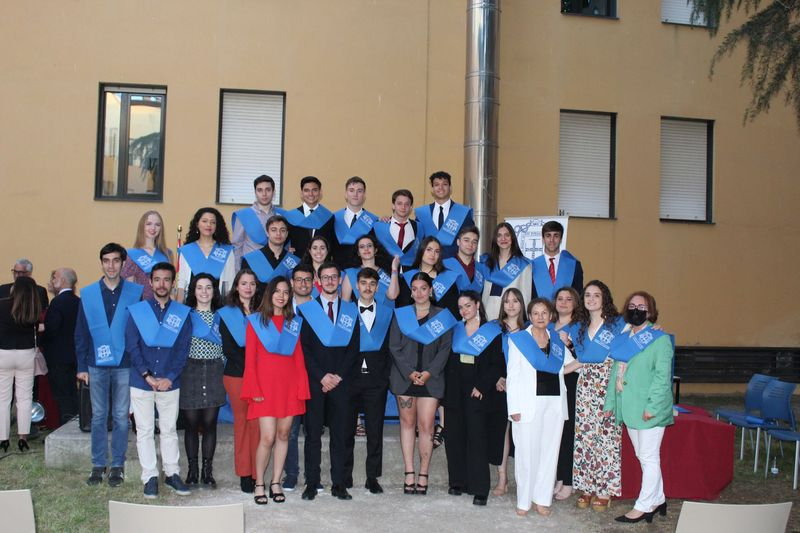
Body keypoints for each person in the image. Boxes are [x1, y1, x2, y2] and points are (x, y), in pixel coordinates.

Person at [75, 243, 144, 487]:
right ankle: (98, 464)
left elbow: (139, 330)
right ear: (101, 263)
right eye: (106, 260)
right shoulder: (90, 293)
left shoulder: (135, 293)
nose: (111, 265)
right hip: (96, 363)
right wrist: (82, 365)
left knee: (121, 416)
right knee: (98, 416)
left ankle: (117, 465)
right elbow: (81, 332)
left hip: (125, 363)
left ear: (123, 263)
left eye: (116, 260)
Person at [605, 291, 673, 524]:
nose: (636, 310)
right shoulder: (624, 337)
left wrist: (653, 407)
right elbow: (616, 371)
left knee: (649, 456)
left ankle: (643, 506)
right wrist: (611, 403)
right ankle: (659, 498)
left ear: (650, 312)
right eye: (632, 305)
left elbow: (662, 378)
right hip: (628, 405)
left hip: (649, 408)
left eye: (641, 307)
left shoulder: (659, 339)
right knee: (643, 456)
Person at [506, 298, 578, 517]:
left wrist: (587, 358)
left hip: (554, 404)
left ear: (550, 316)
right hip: (528, 404)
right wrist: (514, 407)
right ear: (529, 316)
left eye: (544, 313)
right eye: (535, 313)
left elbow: (567, 367)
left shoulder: (556, 340)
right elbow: (513, 375)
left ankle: (542, 499)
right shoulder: (518, 340)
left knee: (549, 453)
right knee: (527, 453)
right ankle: (524, 500)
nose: (540, 317)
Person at [126, 262, 193, 498]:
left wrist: (169, 377)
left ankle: (172, 474)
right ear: (151, 282)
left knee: (169, 429)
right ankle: (150, 477)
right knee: (144, 430)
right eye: (157, 279)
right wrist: (147, 375)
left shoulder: (182, 314)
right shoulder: (138, 311)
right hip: (141, 381)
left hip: (169, 382)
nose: (162, 284)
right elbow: (132, 346)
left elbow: (183, 349)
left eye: (166, 279)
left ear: (172, 282)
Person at [242, 277, 310, 505]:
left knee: (284, 435)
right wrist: (253, 388)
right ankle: (259, 482)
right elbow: (250, 360)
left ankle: (276, 482)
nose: (281, 295)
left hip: (289, 386)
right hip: (265, 387)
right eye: (277, 291)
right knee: (268, 437)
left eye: (285, 292)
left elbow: (298, 357)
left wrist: (302, 386)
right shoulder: (256, 322)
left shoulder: (293, 322)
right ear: (269, 294)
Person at [297, 262, 360, 501]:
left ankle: (339, 484)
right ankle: (312, 483)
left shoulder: (350, 311)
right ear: (318, 280)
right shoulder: (307, 311)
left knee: (340, 435)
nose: (330, 281)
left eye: (335, 277)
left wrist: (337, 376)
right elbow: (304, 349)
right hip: (316, 381)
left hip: (342, 382)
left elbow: (354, 348)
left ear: (339, 279)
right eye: (326, 277)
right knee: (313, 435)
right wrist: (322, 376)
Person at [389, 272, 455, 495]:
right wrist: (410, 373)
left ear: (431, 290)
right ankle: (409, 471)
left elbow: (446, 348)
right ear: (411, 291)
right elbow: (394, 347)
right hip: (404, 377)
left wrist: (428, 372)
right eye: (415, 289)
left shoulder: (442, 316)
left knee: (426, 425)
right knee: (407, 423)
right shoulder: (401, 315)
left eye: (423, 288)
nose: (419, 293)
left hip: (431, 378)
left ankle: (424, 473)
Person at [568, 280, 625, 512]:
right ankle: (587, 486)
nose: (591, 299)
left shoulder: (617, 324)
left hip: (608, 383)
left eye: (596, 295)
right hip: (586, 384)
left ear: (605, 298)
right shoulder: (578, 327)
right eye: (588, 295)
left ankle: (604, 490)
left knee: (608, 437)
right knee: (585, 436)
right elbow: (578, 359)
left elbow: (626, 352)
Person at [443, 291, 504, 506]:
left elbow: (497, 364)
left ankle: (480, 488)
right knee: (455, 435)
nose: (464, 311)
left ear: (477, 304)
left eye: (468, 306)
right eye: (460, 307)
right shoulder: (455, 329)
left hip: (478, 389)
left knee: (477, 438)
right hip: (454, 388)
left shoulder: (492, 331)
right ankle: (458, 482)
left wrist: (482, 386)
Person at [343, 268, 393, 494]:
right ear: (357, 285)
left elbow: (390, 347)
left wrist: (385, 376)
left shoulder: (386, 313)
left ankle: (372, 477)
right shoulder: (345, 311)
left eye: (372, 284)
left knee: (375, 429)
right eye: (363, 283)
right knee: (345, 430)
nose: (368, 288)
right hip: (350, 378)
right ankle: (344, 475)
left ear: (377, 287)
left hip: (376, 380)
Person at [180, 274, 226, 489]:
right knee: (191, 424)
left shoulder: (222, 316)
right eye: (200, 288)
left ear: (214, 291)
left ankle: (207, 472)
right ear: (193, 291)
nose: (204, 292)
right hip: (191, 370)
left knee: (209, 424)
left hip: (214, 370)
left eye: (208, 287)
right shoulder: (185, 316)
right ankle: (192, 471)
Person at [218, 269, 260, 493]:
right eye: (244, 283)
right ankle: (245, 473)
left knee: (258, 425)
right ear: (236, 286)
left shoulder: (263, 311)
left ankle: (257, 472)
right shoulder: (227, 313)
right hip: (237, 375)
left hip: (261, 377)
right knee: (243, 423)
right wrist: (252, 369)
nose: (248, 287)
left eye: (252, 283)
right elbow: (230, 349)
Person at [282, 263, 316, 491]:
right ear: (292, 283)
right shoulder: (283, 310)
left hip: (315, 376)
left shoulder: (321, 309)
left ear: (314, 284)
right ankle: (291, 474)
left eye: (307, 280)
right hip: (288, 378)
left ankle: (314, 477)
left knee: (313, 430)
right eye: (299, 280)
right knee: (290, 431)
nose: (303, 284)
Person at [0, 277, 42, 453]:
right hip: (26, 353)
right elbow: (39, 328)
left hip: (3, 352)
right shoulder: (33, 308)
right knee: (24, 398)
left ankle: (3, 438)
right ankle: (23, 438)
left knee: (3, 398)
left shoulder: (2, 305)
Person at [493, 288, 528, 497]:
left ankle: (525, 479)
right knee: (502, 432)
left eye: (515, 301)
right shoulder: (495, 329)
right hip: (501, 385)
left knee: (523, 433)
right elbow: (489, 359)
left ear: (522, 304)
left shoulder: (531, 329)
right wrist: (498, 377)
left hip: (524, 386)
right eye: (507, 302)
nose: (511, 305)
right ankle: (502, 477)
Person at [40, 268, 80, 426]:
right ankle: (76, 423)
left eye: (54, 277)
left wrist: (42, 339)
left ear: (63, 280)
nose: (51, 280)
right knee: (72, 393)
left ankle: (65, 427)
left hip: (57, 356)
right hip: (73, 355)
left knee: (62, 395)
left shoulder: (57, 302)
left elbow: (52, 328)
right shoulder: (78, 301)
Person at [552, 286, 582, 501]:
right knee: (556, 432)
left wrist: (570, 345)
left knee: (569, 430)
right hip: (552, 382)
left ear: (575, 303)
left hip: (571, 382)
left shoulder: (580, 327)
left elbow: (586, 356)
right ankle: (559, 476)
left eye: (568, 299)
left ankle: (569, 480)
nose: (563, 302)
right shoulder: (548, 325)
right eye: (560, 299)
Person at [176, 207, 235, 303]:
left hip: (218, 305)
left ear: (216, 226)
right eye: (204, 221)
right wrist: (179, 309)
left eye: (213, 222)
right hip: (191, 305)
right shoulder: (187, 250)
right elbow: (181, 284)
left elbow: (230, 283)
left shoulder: (226, 250)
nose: (209, 225)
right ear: (197, 224)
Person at [414, 171, 474, 258]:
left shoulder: (463, 213)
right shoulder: (422, 214)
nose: (440, 187)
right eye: (436, 185)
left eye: (444, 184)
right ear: (432, 189)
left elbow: (470, 241)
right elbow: (417, 240)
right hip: (429, 264)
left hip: (455, 265)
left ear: (450, 188)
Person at [481, 222, 532, 320]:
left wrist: (524, 320)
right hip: (489, 314)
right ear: (495, 239)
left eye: (507, 235)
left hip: (512, 317)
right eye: (499, 236)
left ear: (512, 238)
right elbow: (485, 293)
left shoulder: (523, 264)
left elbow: (526, 295)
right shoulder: (487, 263)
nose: (503, 239)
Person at [399, 236, 460, 317]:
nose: (433, 255)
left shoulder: (447, 278)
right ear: (421, 250)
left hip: (440, 326)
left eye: (437, 251)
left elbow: (454, 310)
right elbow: (403, 307)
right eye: (429, 250)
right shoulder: (408, 277)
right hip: (413, 326)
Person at [279, 176, 335, 259]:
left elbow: (332, 244)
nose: (311, 194)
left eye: (314, 190)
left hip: (322, 264)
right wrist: (285, 250)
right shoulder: (290, 216)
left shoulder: (329, 217)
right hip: (298, 264)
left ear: (320, 192)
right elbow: (282, 241)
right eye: (306, 190)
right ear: (301, 193)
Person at [121, 210, 173, 300]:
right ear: (142, 226)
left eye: (157, 225)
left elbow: (171, 284)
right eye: (149, 224)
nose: (153, 228)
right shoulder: (131, 255)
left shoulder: (167, 253)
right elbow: (129, 288)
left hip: (164, 306)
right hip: (142, 306)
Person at [331, 176, 380, 267]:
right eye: (351, 190)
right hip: (338, 273)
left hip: (364, 273)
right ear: (346, 194)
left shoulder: (374, 221)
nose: (355, 194)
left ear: (364, 195)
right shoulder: (333, 219)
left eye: (359, 191)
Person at [232, 175, 277, 268]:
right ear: (255, 193)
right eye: (260, 190)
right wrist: (237, 272)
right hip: (251, 268)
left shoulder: (282, 215)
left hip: (275, 267)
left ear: (273, 192)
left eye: (268, 190)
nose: (264, 194)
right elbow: (237, 246)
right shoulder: (244, 215)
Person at [341, 234, 400, 306]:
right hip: (360, 315)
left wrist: (394, 269)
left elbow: (392, 295)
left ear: (375, 250)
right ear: (358, 253)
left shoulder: (386, 271)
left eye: (369, 246)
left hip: (386, 315)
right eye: (362, 247)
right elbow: (344, 302)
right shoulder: (351, 273)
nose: (366, 249)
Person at [241, 215, 301, 285]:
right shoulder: (250, 260)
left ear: (287, 234)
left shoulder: (294, 261)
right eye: (274, 230)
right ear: (267, 233)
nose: (278, 233)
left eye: (282, 230)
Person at [531, 220, 584, 300]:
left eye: (556, 236)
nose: (552, 240)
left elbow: (578, 296)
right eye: (548, 236)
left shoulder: (574, 265)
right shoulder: (532, 266)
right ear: (543, 239)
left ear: (561, 239)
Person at [373, 189, 421, 268]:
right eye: (399, 203)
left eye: (407, 204)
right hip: (385, 273)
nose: (403, 207)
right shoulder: (379, 226)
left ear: (411, 207)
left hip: (410, 273)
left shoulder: (419, 227)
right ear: (393, 206)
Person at [444, 225, 489, 294]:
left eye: (474, 242)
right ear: (458, 242)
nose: (470, 244)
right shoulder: (445, 265)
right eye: (466, 240)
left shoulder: (481, 269)